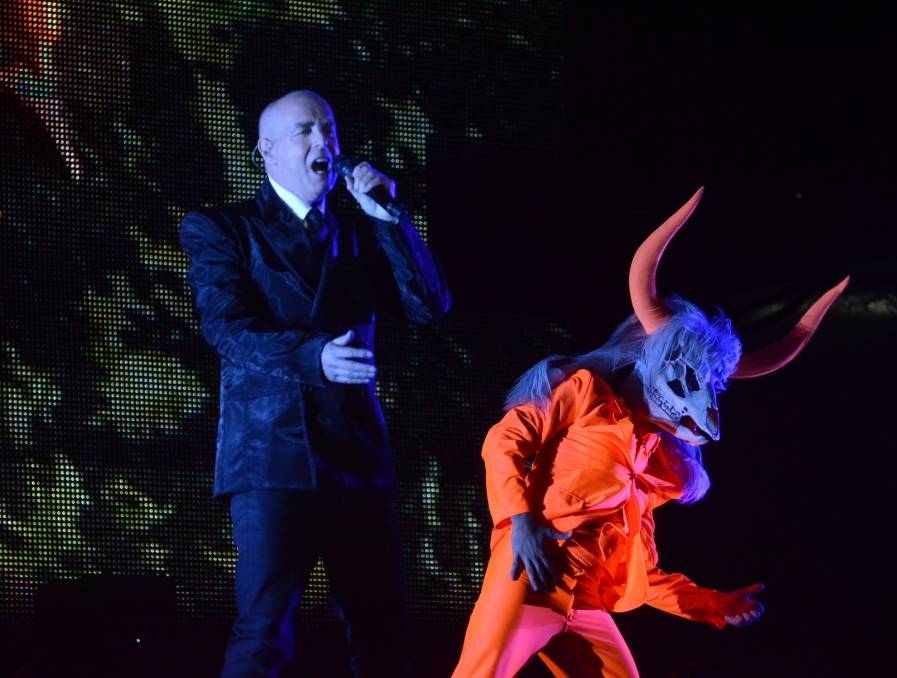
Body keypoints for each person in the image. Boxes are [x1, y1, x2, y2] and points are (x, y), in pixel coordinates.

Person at [452, 189, 847, 677]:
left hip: (587, 601)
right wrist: (522, 523)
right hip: (529, 575)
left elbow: (643, 570)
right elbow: (504, 442)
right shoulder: (585, 391)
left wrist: (711, 604)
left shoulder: (652, 460)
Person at [180, 89, 450, 677]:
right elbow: (226, 329)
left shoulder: (361, 231)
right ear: (267, 151)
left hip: (356, 459)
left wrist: (390, 219)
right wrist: (313, 357)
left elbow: (429, 306)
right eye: (304, 131)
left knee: (383, 634)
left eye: (327, 128)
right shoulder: (225, 228)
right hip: (272, 459)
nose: (322, 141)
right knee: (263, 631)